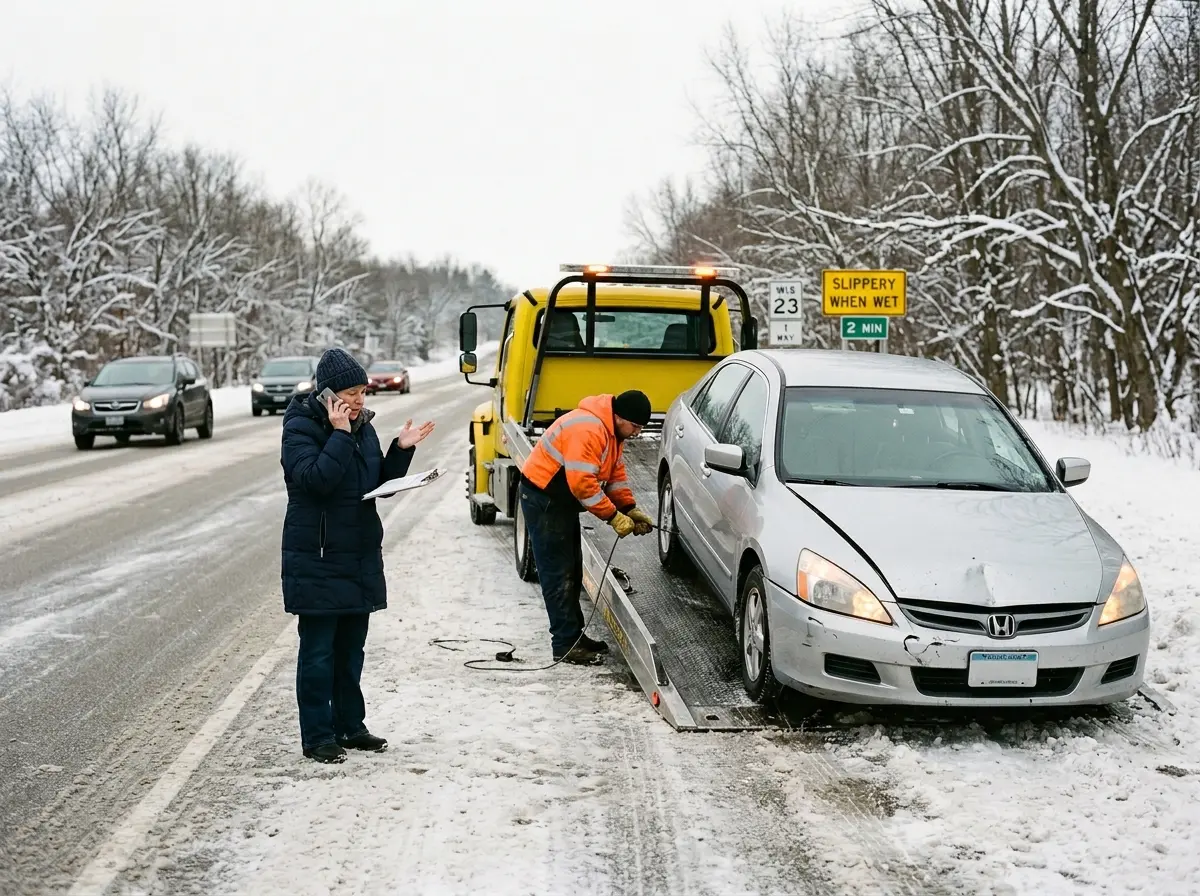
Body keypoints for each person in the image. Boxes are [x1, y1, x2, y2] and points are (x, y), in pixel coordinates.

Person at [280, 347, 435, 764]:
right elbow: (316, 481)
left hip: (359, 552)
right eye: (351, 393)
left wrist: (400, 450)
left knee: (351, 651)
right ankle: (317, 736)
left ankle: (351, 726)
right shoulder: (300, 427)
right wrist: (339, 433)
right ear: (328, 394)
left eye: (363, 393)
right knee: (318, 654)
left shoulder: (361, 426)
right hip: (319, 555)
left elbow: (373, 482)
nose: (360, 401)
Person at [518, 390, 656, 665]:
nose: (638, 433)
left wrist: (629, 508)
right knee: (558, 573)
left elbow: (615, 474)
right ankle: (565, 645)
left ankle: (573, 635)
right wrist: (613, 517)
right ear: (619, 417)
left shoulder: (613, 433)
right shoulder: (589, 429)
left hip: (560, 502)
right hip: (544, 500)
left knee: (572, 568)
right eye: (635, 426)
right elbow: (583, 484)